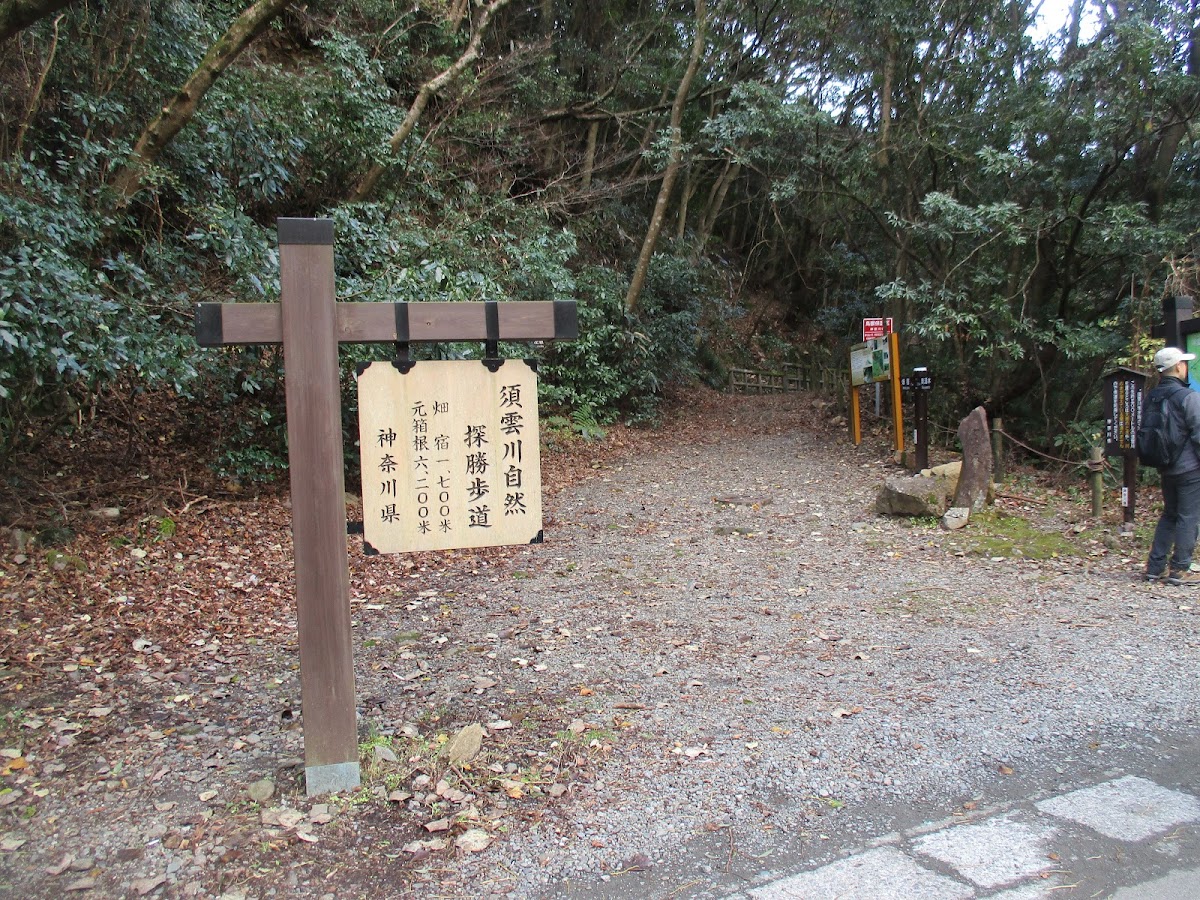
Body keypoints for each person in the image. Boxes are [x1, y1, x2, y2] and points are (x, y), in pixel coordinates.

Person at [1145, 346, 1200, 584]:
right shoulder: (1188, 397)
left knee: (1169, 515)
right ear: (1178, 366)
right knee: (1188, 517)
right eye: (1184, 363)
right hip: (1189, 468)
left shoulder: (1152, 396)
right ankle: (1179, 569)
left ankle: (1154, 568)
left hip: (1165, 466)